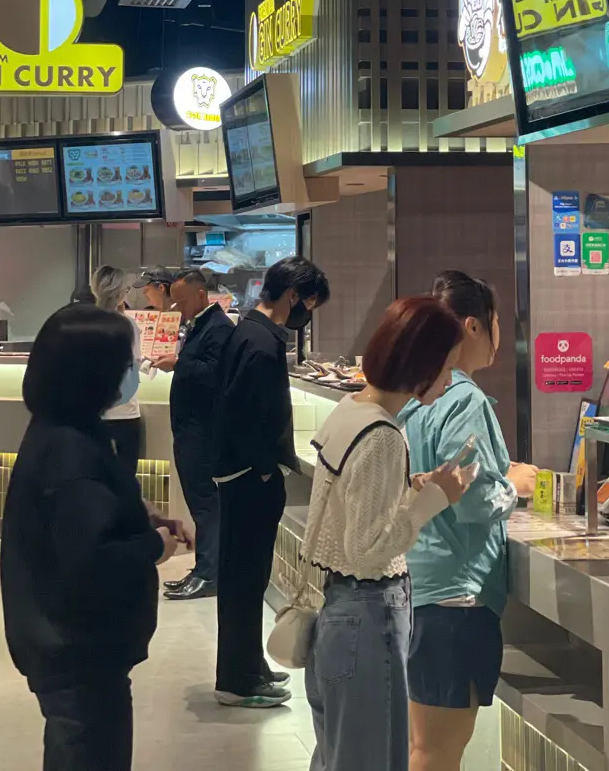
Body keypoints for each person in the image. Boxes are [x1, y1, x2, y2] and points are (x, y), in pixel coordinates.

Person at [0, 304, 189, 771]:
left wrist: (141, 515)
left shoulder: (62, 430)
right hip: (78, 649)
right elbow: (91, 560)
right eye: (126, 364)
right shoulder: (71, 451)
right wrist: (154, 547)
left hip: (65, 643)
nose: (132, 372)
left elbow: (82, 521)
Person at [304, 295, 476, 771]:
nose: (448, 381)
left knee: (340, 756)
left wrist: (409, 489)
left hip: (338, 611)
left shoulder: (351, 409)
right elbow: (368, 549)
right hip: (368, 614)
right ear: (422, 365)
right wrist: (434, 499)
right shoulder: (382, 434)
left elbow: (348, 507)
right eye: (446, 369)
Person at [400, 272, 538, 771]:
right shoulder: (464, 399)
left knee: (422, 744)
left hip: (417, 584)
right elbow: (474, 499)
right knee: (437, 751)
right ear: (475, 326)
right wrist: (514, 484)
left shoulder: (413, 392)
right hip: (456, 598)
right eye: (498, 321)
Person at [210, 255, 331, 708]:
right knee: (245, 579)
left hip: (240, 474)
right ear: (293, 295)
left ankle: (247, 665)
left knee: (245, 577)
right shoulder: (261, 343)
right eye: (310, 304)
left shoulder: (249, 331)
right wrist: (264, 468)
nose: (307, 314)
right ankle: (237, 680)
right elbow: (248, 415)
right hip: (249, 478)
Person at [154, 269, 233, 601]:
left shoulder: (219, 328)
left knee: (205, 504)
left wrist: (178, 364)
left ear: (201, 295)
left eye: (181, 301)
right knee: (200, 503)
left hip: (203, 431)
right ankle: (204, 568)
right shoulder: (201, 325)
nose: (178, 308)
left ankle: (209, 573)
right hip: (189, 429)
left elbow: (216, 374)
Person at [91, 266, 145, 478]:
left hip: (93, 413)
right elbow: (135, 362)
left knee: (95, 478)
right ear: (122, 292)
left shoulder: (84, 323)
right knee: (124, 480)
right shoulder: (128, 325)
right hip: (125, 414)